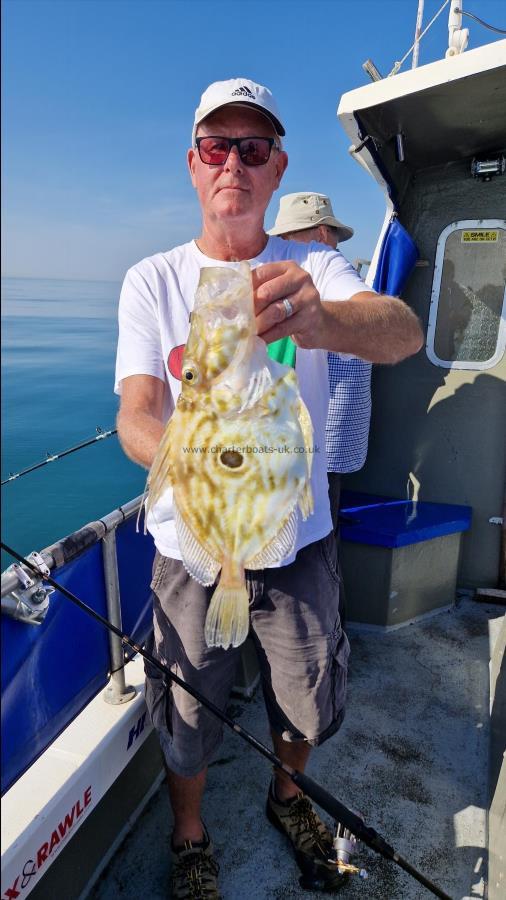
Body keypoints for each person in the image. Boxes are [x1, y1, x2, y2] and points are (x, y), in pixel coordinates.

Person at [115, 77, 423, 899]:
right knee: (185, 717)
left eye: (254, 149)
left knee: (312, 702)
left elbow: (404, 331)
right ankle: (190, 831)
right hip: (194, 545)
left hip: (298, 539)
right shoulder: (153, 281)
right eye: (218, 148)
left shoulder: (313, 264)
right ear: (193, 164)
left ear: (278, 166)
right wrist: (190, 447)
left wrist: (323, 321)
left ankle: (287, 795)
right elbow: (137, 414)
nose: (234, 165)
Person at [268, 192, 373, 627]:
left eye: (297, 237)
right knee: (322, 537)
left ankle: (329, 631)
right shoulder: (333, 282)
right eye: (286, 240)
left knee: (318, 543)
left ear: (323, 234)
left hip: (326, 443)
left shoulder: (334, 282)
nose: (291, 249)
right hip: (324, 444)